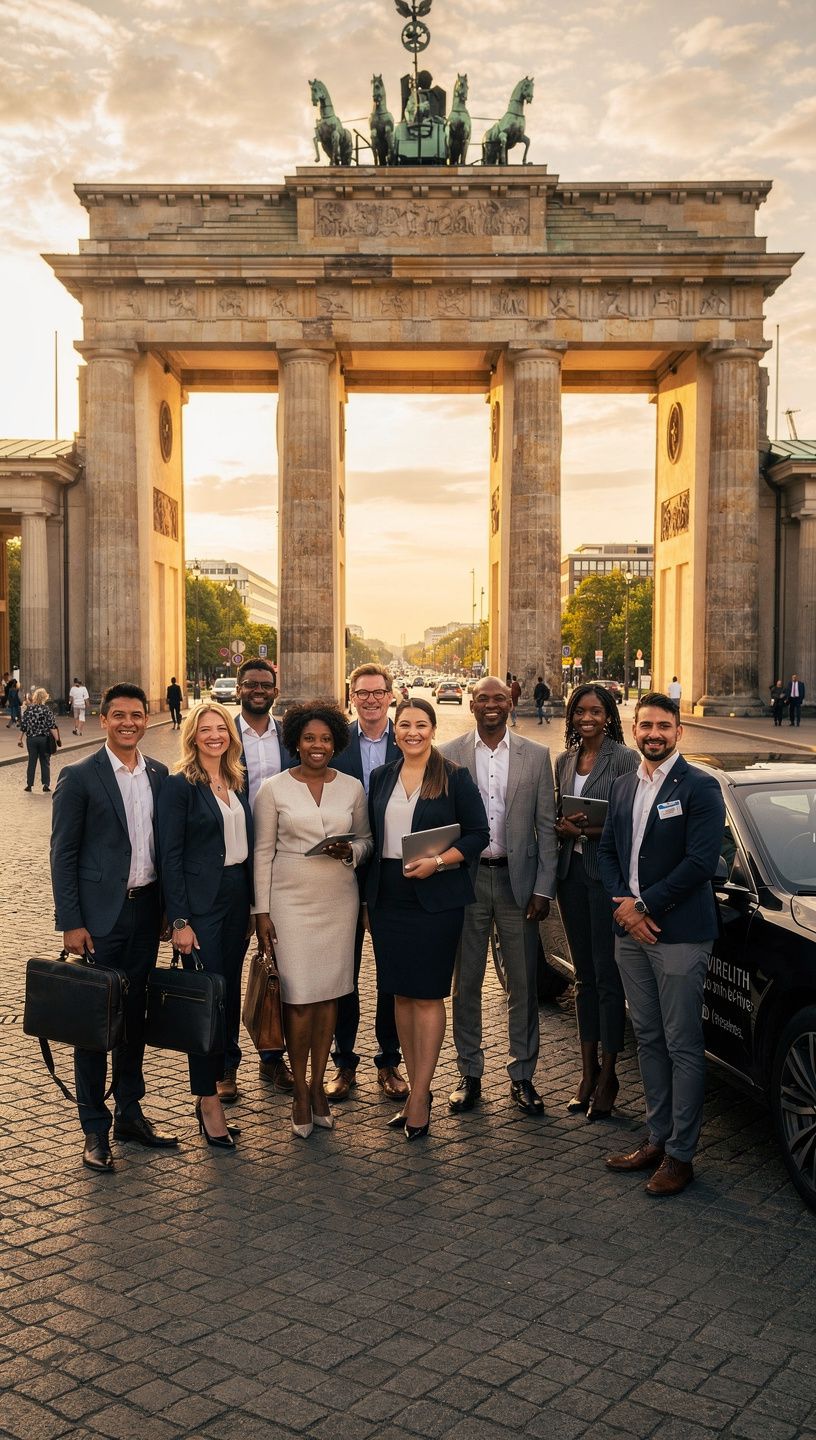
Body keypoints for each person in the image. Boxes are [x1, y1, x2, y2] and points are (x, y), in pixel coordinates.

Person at [598, 692, 724, 1197]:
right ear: (634, 729)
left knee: (682, 1044)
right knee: (648, 1037)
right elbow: (607, 852)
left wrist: (644, 906)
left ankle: (681, 1155)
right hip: (631, 932)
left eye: (663, 726)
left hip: (678, 934)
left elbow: (700, 863)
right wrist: (624, 907)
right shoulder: (624, 784)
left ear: (679, 732)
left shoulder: (700, 787)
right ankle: (657, 1138)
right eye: (646, 725)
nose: (654, 734)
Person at [50, 682, 177, 1172]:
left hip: (146, 914)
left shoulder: (160, 775)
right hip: (99, 921)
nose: (128, 722)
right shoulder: (79, 776)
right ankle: (94, 1129)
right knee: (95, 1022)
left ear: (147, 720)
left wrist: (167, 909)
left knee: (136, 1017)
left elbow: (165, 850)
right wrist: (71, 923)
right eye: (119, 715)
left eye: (136, 715)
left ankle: (129, 1112)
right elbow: (63, 855)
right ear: (103, 720)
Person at [365, 698, 489, 1140]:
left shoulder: (455, 777)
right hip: (389, 897)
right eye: (404, 725)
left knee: (428, 996)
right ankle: (418, 1089)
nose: (412, 732)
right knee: (400, 994)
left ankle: (419, 1096)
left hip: (436, 899)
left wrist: (437, 862)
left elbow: (478, 834)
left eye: (420, 724)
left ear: (433, 729)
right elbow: (373, 836)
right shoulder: (381, 776)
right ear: (395, 731)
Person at [253, 702, 372, 1138]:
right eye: (309, 738)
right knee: (299, 999)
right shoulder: (273, 789)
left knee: (330, 998)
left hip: (338, 900)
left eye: (325, 739)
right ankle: (300, 1092)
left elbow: (367, 840)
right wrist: (260, 912)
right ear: (296, 742)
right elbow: (262, 852)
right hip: (289, 903)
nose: (317, 746)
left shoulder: (353, 788)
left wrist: (352, 851)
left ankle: (319, 1086)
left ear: (336, 743)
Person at [441, 677, 558, 1117]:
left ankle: (522, 1075)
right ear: (471, 704)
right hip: (467, 883)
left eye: (499, 699)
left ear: (511, 703)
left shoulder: (537, 755)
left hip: (518, 884)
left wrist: (544, 888)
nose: (491, 705)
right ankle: (468, 1073)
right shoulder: (448, 754)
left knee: (524, 984)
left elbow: (546, 827)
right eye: (483, 699)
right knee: (466, 983)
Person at [158, 701, 254, 1151]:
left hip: (235, 897)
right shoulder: (180, 785)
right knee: (206, 1002)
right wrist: (180, 919)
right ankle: (208, 1102)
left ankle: (217, 1079)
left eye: (221, 728)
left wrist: (251, 906)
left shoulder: (236, 779)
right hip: (200, 907)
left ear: (230, 736)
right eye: (205, 729)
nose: (214, 735)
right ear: (192, 736)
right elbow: (170, 857)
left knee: (228, 994)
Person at [554, 683, 639, 1120]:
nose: (587, 718)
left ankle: (609, 1075)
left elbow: (631, 823)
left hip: (605, 880)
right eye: (580, 711)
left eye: (596, 711)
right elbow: (557, 814)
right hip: (571, 877)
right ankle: (586, 1073)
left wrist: (584, 832)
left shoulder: (624, 759)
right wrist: (562, 824)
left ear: (608, 717)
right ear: (571, 717)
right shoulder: (564, 760)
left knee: (608, 978)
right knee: (583, 977)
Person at [326, 663, 408, 1103]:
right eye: (363, 693)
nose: (371, 700)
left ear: (391, 696)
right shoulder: (334, 742)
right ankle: (343, 1061)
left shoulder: (408, 738)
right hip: (342, 870)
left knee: (391, 969)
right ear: (352, 696)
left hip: (393, 870)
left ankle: (389, 1060)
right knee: (344, 970)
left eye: (378, 692)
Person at [234, 656, 295, 1099]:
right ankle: (224, 1064)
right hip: (234, 862)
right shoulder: (221, 731)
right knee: (226, 966)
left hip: (283, 862)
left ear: (275, 691)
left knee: (280, 964)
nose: (258, 690)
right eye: (250, 683)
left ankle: (273, 1057)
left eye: (265, 684)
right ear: (239, 688)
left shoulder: (289, 737)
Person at [19, 687, 60, 792]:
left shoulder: (29, 709)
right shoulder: (46, 710)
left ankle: (29, 785)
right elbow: (52, 726)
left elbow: (24, 726)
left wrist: (20, 739)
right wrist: (57, 740)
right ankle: (45, 785)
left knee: (31, 761)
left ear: (35, 697)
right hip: (44, 739)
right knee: (45, 762)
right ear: (44, 697)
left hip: (31, 740)